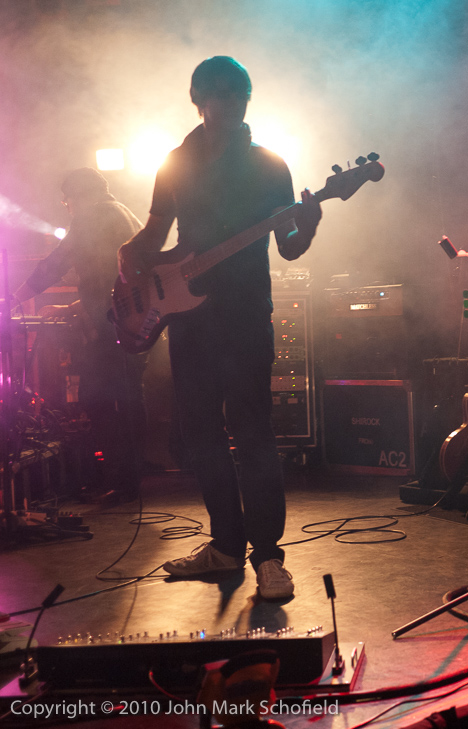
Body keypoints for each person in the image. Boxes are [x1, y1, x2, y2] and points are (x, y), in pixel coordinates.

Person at [117, 56, 321, 600]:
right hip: (189, 320)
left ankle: (269, 558)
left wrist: (309, 225)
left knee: (253, 434)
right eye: (221, 96)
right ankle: (225, 546)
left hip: (246, 315)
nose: (231, 105)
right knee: (202, 434)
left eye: (240, 96)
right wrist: (130, 256)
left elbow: (289, 246)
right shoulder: (175, 162)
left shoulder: (269, 164)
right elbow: (154, 233)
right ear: (199, 99)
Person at [13, 167, 145, 502]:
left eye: (67, 200)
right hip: (131, 323)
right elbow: (110, 280)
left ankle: (122, 480)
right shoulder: (123, 213)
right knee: (126, 399)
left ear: (78, 196)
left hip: (111, 327)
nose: (67, 207)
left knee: (96, 398)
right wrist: (74, 306)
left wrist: (14, 298)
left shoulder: (93, 216)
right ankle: (132, 474)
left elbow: (56, 263)